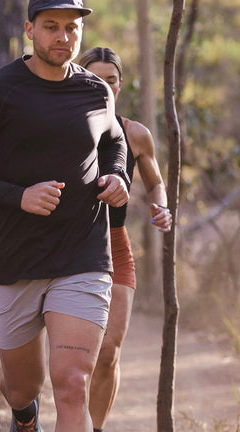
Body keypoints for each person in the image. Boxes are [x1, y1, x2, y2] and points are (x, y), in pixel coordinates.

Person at [0, 0, 130, 432]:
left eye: (71, 28)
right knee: (21, 389)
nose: (62, 37)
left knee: (72, 383)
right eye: (51, 27)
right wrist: (16, 196)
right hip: (15, 258)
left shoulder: (97, 91)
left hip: (83, 255)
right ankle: (24, 419)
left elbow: (114, 139)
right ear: (30, 30)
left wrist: (117, 175)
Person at [78, 46, 172, 432]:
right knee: (67, 358)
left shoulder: (134, 134)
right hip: (62, 245)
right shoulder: (57, 127)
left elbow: (156, 183)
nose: (104, 86)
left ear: (120, 85)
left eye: (111, 80)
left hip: (114, 244)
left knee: (108, 352)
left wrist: (161, 207)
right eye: (95, 79)